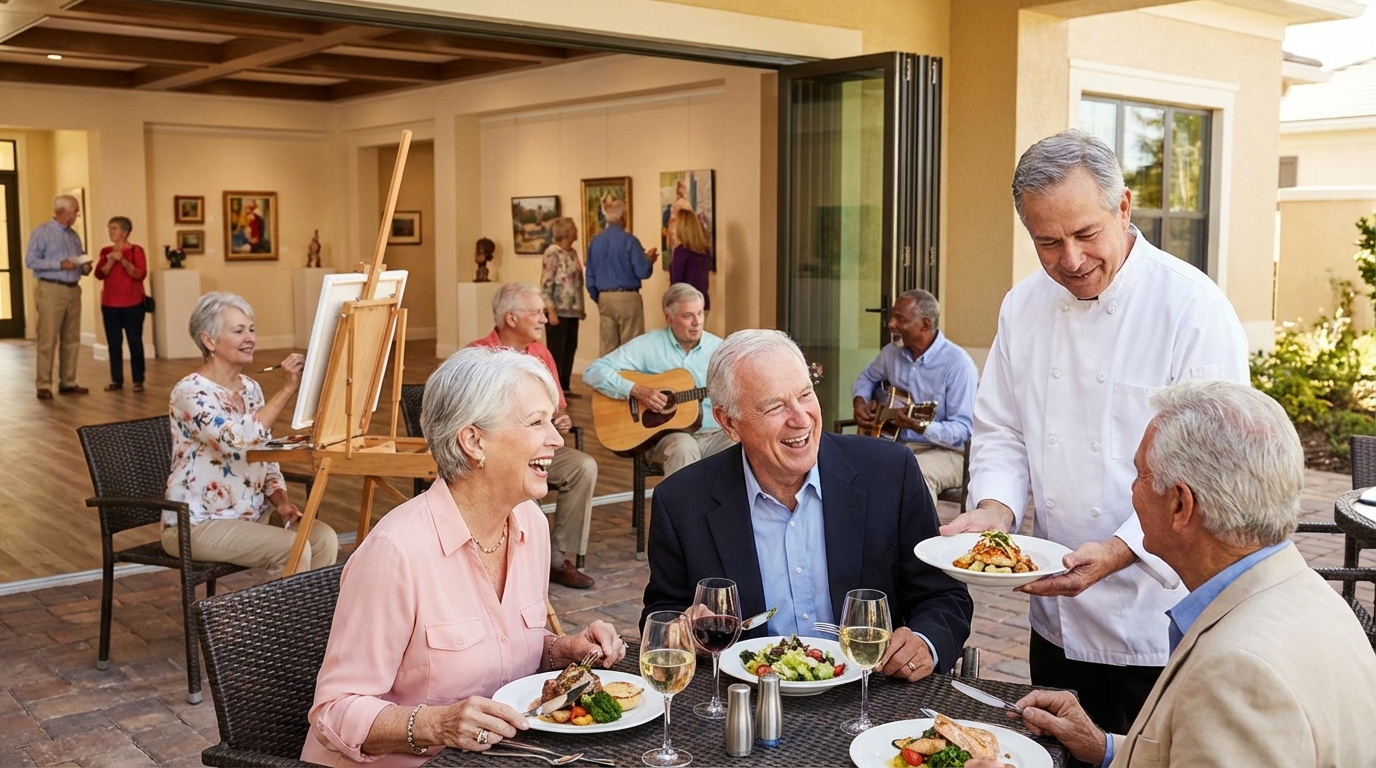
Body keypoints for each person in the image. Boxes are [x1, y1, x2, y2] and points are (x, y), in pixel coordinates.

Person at [942, 129, 1250, 733]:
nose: (1072, 260)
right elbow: (1002, 428)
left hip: (1155, 618)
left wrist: (1118, 550)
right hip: (1056, 610)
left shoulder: (1191, 307)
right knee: (1058, 749)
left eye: (1086, 235)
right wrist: (996, 512)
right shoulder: (1023, 306)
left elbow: (1215, 467)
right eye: (1048, 242)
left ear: (1124, 208)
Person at [991, 380, 1376, 768]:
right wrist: (1101, 745)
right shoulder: (1316, 596)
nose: (1131, 490)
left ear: (1179, 504)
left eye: (1140, 474)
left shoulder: (1236, 671)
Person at [303, 347, 626, 767]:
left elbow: (503, 653)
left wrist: (562, 650)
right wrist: (435, 725)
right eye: (536, 422)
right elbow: (333, 711)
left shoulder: (529, 523)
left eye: (551, 419)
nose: (557, 439)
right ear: (474, 441)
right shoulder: (397, 551)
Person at [641, 329, 974, 680]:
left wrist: (924, 641)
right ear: (728, 423)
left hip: (870, 694)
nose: (800, 418)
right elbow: (663, 614)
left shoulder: (890, 472)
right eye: (774, 406)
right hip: (747, 701)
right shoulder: (681, 502)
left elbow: (945, 595)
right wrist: (681, 631)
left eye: (805, 395)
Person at [164, 292, 338, 574]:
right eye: (239, 331)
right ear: (209, 341)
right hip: (196, 523)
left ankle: (309, 616)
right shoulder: (190, 391)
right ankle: (282, 618)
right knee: (291, 548)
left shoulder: (251, 389)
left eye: (252, 329)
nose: (250, 338)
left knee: (323, 539)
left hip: (251, 515)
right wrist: (288, 389)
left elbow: (264, 454)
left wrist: (281, 502)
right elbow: (237, 443)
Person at [468, 283, 599, 589]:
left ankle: (555, 558)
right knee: (524, 471)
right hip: (498, 454)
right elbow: (469, 418)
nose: (545, 318)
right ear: (511, 318)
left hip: (539, 446)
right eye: (538, 312)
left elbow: (554, 408)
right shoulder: (476, 357)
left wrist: (558, 420)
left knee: (583, 467)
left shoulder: (541, 353)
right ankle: (523, 560)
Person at [582, 283, 731, 476]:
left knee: (744, 446)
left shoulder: (720, 348)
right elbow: (593, 371)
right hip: (667, 437)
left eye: (700, 313)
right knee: (683, 448)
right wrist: (636, 390)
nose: (697, 322)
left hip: (714, 434)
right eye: (688, 316)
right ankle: (681, 507)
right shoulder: (648, 345)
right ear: (669, 318)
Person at [852, 289, 977, 503]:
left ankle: (922, 537)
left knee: (916, 474)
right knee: (853, 465)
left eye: (900, 319)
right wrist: (860, 401)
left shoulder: (958, 365)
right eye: (892, 316)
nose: (891, 324)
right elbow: (867, 377)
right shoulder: (891, 353)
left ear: (925, 325)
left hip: (949, 453)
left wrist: (922, 427)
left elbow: (964, 430)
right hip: (898, 445)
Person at [26, 194, 92, 399]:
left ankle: (68, 382)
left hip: (74, 289)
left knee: (71, 338)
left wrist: (85, 267)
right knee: (48, 338)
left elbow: (78, 259)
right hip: (51, 290)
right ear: (62, 212)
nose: (76, 216)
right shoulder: (41, 232)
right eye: (75, 211)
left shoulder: (74, 235)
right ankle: (44, 384)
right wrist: (59, 265)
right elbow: (31, 261)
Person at [584, 196, 657, 355]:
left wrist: (598, 297)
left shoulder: (595, 242)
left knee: (608, 348)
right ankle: (627, 379)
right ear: (623, 217)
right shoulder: (629, 241)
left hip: (604, 297)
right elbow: (642, 271)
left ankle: (608, 379)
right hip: (627, 297)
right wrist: (649, 261)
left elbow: (589, 277)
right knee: (631, 347)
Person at [95, 216, 148, 393]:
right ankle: (116, 379)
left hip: (133, 304)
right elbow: (99, 274)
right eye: (109, 228)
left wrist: (123, 260)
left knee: (135, 342)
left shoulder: (136, 251)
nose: (110, 232)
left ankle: (138, 380)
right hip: (110, 304)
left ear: (125, 232)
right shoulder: (105, 251)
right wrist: (111, 259)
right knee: (114, 343)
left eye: (114, 228)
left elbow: (139, 274)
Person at [539, 217, 585, 396]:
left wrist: (580, 308)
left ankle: (564, 387)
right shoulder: (553, 253)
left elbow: (576, 282)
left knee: (570, 348)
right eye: (574, 228)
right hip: (557, 311)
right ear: (566, 232)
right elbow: (545, 284)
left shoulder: (572, 252)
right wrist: (550, 309)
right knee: (556, 352)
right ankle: (553, 390)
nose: (576, 230)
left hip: (572, 311)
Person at [668, 211, 711, 312]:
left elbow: (676, 283)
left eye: (675, 226)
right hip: (702, 302)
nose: (673, 230)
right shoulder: (704, 251)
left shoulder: (681, 251)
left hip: (685, 305)